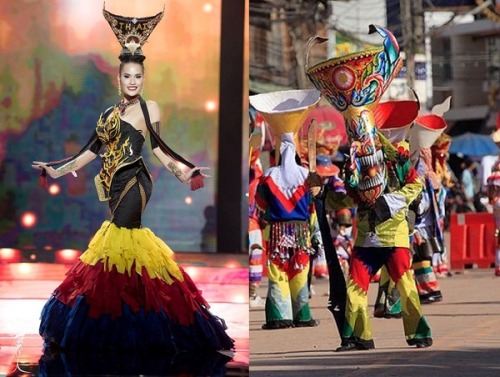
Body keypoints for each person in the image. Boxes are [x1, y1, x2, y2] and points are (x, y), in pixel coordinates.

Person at [31, 6, 234, 352]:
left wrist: (187, 173)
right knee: (119, 250)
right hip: (112, 186)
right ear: (119, 78)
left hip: (136, 183)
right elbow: (89, 152)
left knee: (121, 243)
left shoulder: (147, 109)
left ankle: (133, 324)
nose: (133, 82)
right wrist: (56, 169)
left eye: (138, 77)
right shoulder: (108, 115)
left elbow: (158, 149)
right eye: (127, 77)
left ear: (143, 78)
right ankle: (127, 315)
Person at [306, 24, 432, 351]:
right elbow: (346, 199)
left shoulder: (399, 160)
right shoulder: (353, 167)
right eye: (357, 139)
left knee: (406, 286)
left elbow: (415, 185)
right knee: (354, 288)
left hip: (394, 236)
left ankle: (419, 334)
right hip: (365, 236)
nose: (361, 144)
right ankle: (357, 337)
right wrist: (323, 194)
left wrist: (393, 200)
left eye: (364, 137)